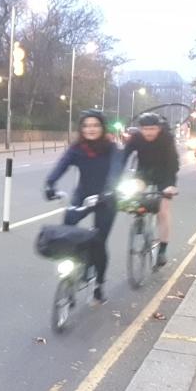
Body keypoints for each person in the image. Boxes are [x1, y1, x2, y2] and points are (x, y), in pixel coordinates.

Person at [44, 111, 121, 303]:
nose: (91, 129)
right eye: (86, 125)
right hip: (84, 194)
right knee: (67, 231)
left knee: (99, 242)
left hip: (106, 198)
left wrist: (109, 191)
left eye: (95, 125)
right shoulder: (77, 148)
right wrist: (50, 184)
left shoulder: (112, 148)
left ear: (102, 128)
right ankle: (74, 267)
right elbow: (61, 166)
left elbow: (115, 172)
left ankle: (99, 284)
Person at [122, 113, 180, 267]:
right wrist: (113, 178)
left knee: (163, 211)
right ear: (140, 129)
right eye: (145, 129)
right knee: (133, 195)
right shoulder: (136, 138)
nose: (148, 132)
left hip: (165, 174)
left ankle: (162, 250)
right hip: (144, 172)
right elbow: (122, 157)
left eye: (152, 129)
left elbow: (174, 163)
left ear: (159, 128)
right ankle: (139, 217)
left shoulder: (166, 138)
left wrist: (171, 185)